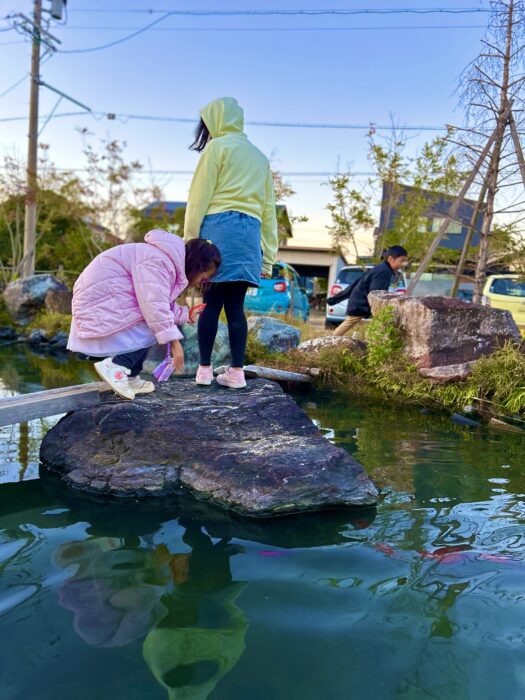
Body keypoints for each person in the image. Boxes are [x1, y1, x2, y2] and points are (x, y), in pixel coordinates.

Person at [184, 96, 278, 389]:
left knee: (210, 304)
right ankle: (237, 373)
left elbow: (198, 198)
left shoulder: (217, 148)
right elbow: (268, 210)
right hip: (249, 233)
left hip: (217, 229)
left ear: (215, 122)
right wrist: (268, 257)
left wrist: (190, 242)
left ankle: (203, 371)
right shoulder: (260, 158)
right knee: (236, 308)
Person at [67, 231, 221, 400]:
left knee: (154, 323)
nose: (201, 284)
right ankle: (116, 366)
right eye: (204, 279)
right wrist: (175, 343)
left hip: (108, 299)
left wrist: (186, 314)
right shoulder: (158, 261)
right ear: (198, 266)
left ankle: (130, 376)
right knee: (152, 323)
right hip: (99, 302)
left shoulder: (166, 263)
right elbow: (154, 306)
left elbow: (161, 303)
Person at [331, 245, 408, 337]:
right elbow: (375, 292)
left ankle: (336, 339)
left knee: (355, 322)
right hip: (361, 303)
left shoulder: (383, 268)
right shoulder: (384, 271)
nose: (403, 264)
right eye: (402, 261)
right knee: (352, 321)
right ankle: (331, 340)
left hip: (361, 301)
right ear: (391, 259)